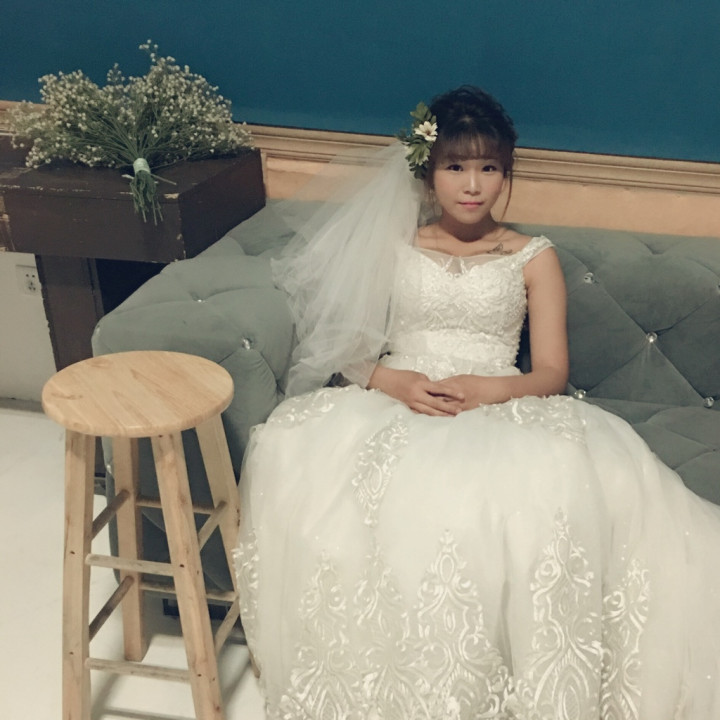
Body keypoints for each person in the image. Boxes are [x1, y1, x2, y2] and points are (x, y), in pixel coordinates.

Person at [233, 86, 720, 720]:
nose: (472, 185)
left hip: (498, 401)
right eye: (455, 166)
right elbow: (347, 348)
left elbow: (551, 371)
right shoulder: (394, 244)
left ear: (506, 173)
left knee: (542, 505)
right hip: (401, 398)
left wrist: (492, 388)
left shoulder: (532, 255)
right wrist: (395, 382)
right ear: (428, 172)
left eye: (489, 167)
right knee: (322, 476)